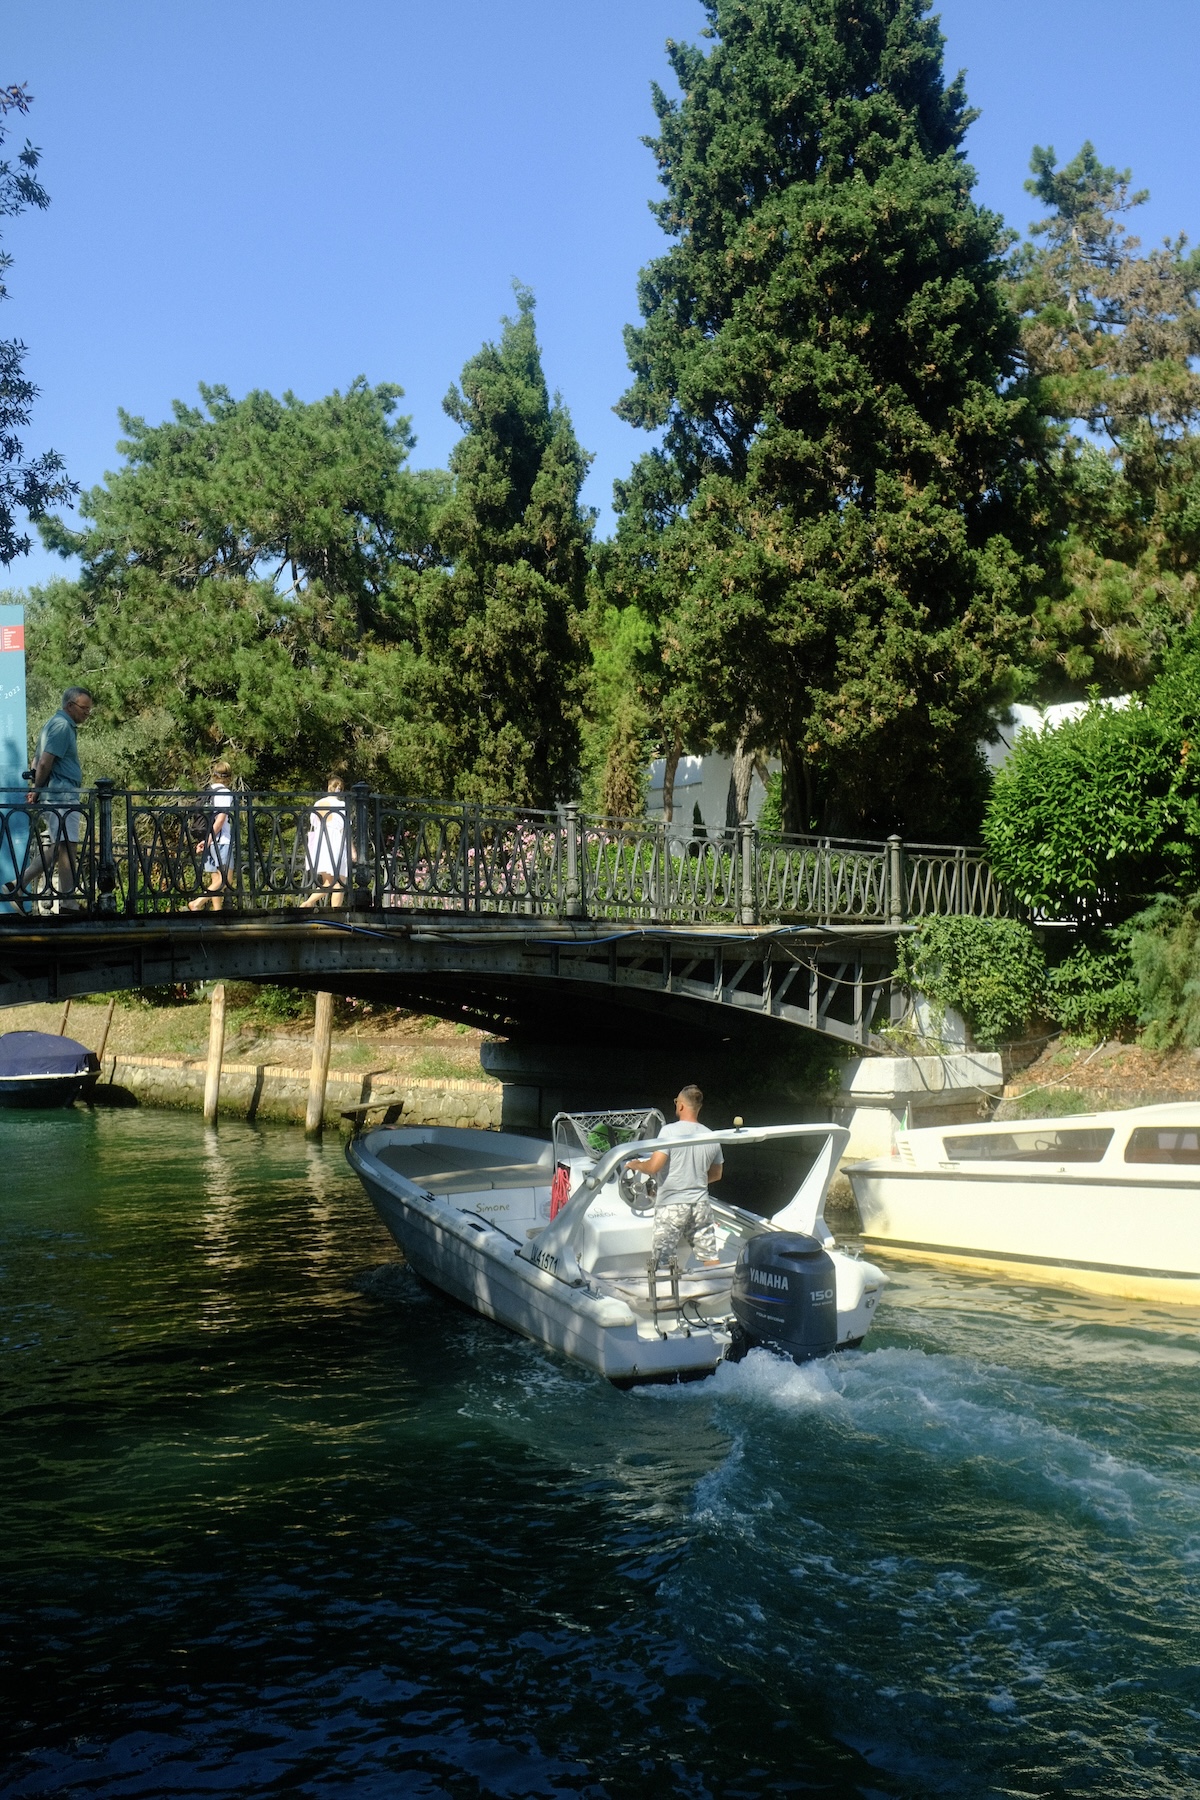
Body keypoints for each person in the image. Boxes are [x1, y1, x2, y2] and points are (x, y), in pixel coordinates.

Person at [627, 1084, 723, 1269]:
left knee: (663, 1260)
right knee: (710, 1256)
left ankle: (669, 1294)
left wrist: (636, 1165)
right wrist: (694, 1180)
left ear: (680, 1106)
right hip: (700, 1204)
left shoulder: (669, 1132)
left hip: (672, 1205)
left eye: (676, 1102)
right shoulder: (711, 1135)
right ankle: (719, 1291)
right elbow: (717, 1174)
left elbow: (654, 1166)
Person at [19, 686, 94, 912]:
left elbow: (36, 760)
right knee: (66, 846)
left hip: (58, 795)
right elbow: (44, 762)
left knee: (61, 846)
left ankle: (20, 885)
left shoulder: (54, 724)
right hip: (61, 795)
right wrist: (37, 789)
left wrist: (37, 788)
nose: (86, 714)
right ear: (70, 705)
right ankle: (65, 899)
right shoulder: (62, 726)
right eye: (84, 709)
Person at [187, 761, 235, 911]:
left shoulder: (208, 791)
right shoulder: (225, 793)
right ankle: (197, 903)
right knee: (225, 879)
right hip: (220, 840)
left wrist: (204, 841)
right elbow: (220, 819)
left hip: (207, 840)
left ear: (213, 775)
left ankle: (217, 912)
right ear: (229, 776)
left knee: (216, 878)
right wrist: (208, 839)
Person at [300, 775, 348, 909]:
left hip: (321, 843)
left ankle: (309, 902)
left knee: (328, 882)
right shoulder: (341, 805)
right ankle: (335, 912)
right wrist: (352, 849)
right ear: (341, 789)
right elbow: (344, 829)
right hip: (336, 842)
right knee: (340, 880)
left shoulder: (318, 804)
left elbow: (313, 822)